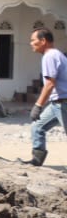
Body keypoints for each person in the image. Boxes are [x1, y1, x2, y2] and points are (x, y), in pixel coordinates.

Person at [26, 28, 67, 166]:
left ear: (43, 41)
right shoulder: (55, 54)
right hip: (57, 103)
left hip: (63, 103)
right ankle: (36, 161)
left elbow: (49, 84)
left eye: (33, 40)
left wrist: (38, 105)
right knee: (37, 126)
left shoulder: (49, 56)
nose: (31, 43)